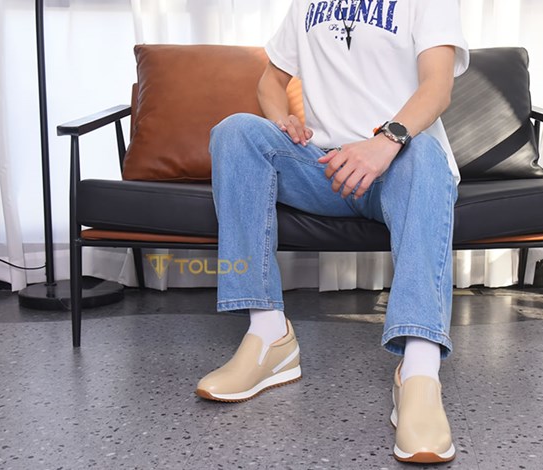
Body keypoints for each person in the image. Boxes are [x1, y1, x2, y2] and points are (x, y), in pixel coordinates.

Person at [196, 0, 469, 464]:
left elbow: (437, 87)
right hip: (326, 167)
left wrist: (384, 142)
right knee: (235, 131)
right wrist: (282, 117)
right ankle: (268, 335)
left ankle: (419, 373)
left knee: (425, 154)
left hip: (399, 164)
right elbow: (270, 80)